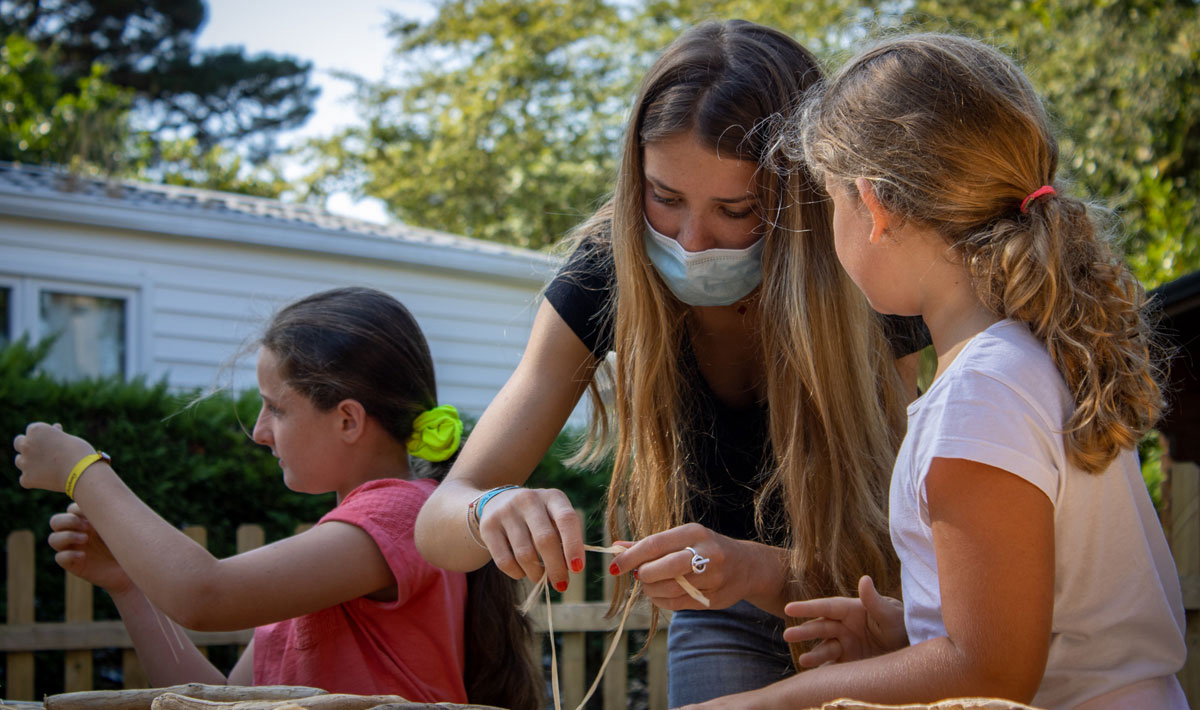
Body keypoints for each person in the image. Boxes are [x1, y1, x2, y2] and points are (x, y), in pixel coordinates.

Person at [414, 20, 927, 705]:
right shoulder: (606, 271)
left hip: (867, 609)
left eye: (735, 209)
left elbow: (906, 537)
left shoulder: (872, 272)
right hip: (715, 614)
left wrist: (756, 567)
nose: (691, 241)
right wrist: (490, 509)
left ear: (802, 195)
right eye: (665, 198)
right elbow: (436, 524)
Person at [683, 33, 1188, 710]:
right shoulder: (1029, 361)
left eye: (832, 201)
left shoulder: (981, 394)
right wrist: (907, 635)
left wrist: (776, 699)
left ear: (874, 207)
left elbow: (991, 674)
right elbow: (1043, 626)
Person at [13, 287, 541, 710]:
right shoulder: (334, 554)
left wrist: (82, 470)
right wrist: (127, 585)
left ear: (348, 420)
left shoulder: (404, 514)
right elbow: (218, 700)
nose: (261, 432)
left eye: (276, 409)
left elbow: (205, 594)